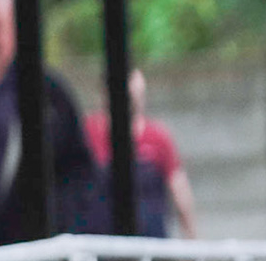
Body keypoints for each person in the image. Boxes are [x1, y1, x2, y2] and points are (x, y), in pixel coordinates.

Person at [0, 0, 96, 254]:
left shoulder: (48, 92)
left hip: (24, 255)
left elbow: (79, 173)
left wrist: (56, 230)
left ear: (16, 28)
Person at [84, 69, 197, 239]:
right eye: (131, 97)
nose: (136, 102)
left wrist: (192, 242)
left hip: (152, 244)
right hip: (103, 245)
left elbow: (180, 192)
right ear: (105, 94)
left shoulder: (157, 136)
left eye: (140, 96)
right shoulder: (88, 133)